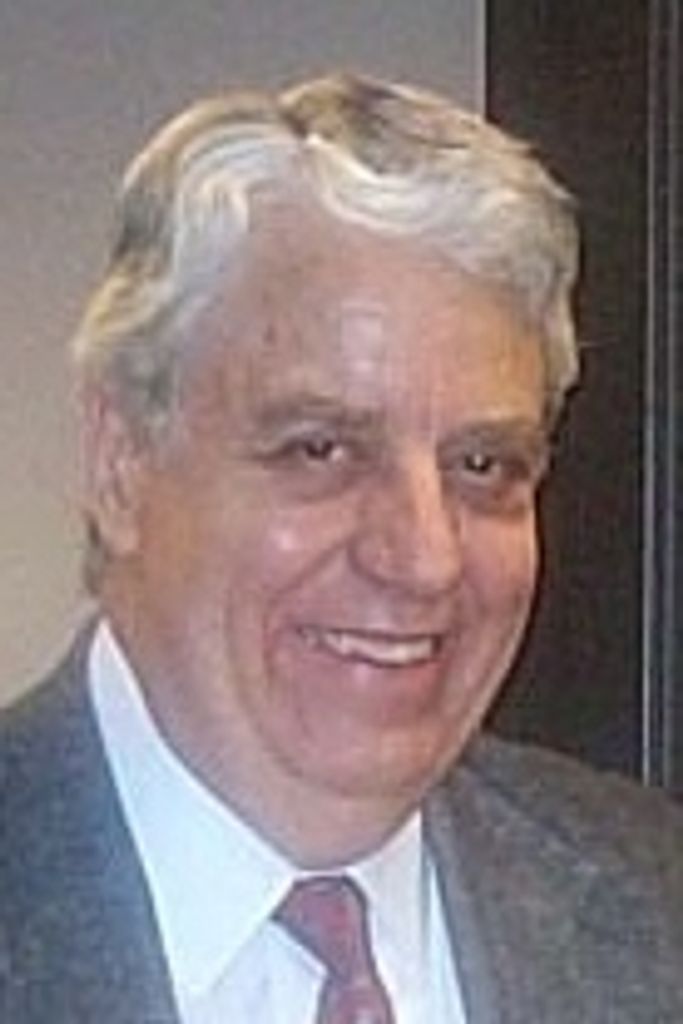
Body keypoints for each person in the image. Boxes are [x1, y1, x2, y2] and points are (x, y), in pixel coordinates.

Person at [1, 72, 681, 1024]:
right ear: (122, 464)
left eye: (482, 465)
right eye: (320, 450)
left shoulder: (653, 903)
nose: (424, 560)